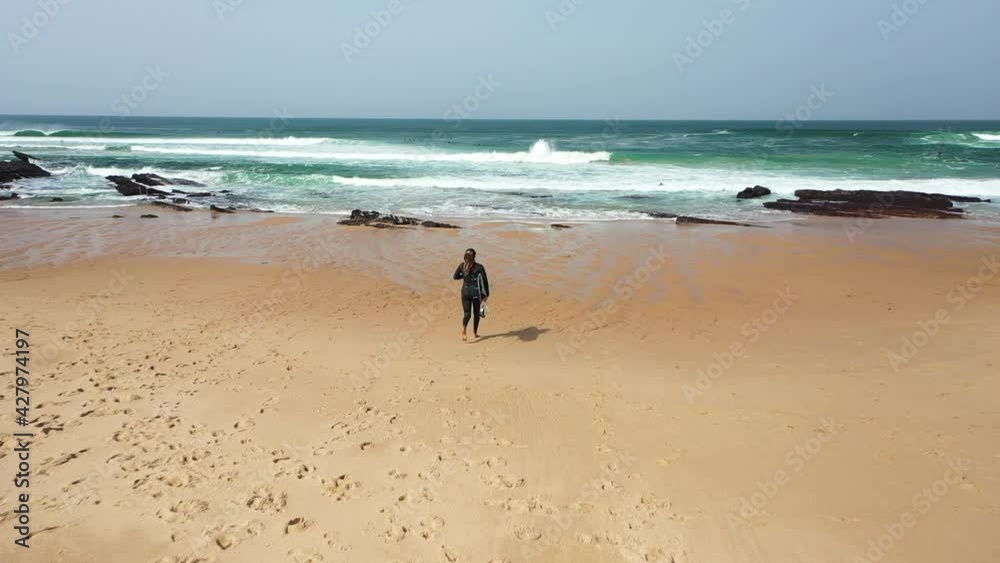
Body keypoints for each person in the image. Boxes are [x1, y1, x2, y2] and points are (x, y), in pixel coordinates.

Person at [453, 248, 490, 341]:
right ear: (474, 256)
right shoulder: (479, 267)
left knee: (467, 314)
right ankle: (475, 333)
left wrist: (464, 276)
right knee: (476, 314)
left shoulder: (462, 266)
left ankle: (464, 331)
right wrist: (487, 294)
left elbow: (455, 277)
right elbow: (485, 282)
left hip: (465, 293)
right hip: (476, 294)